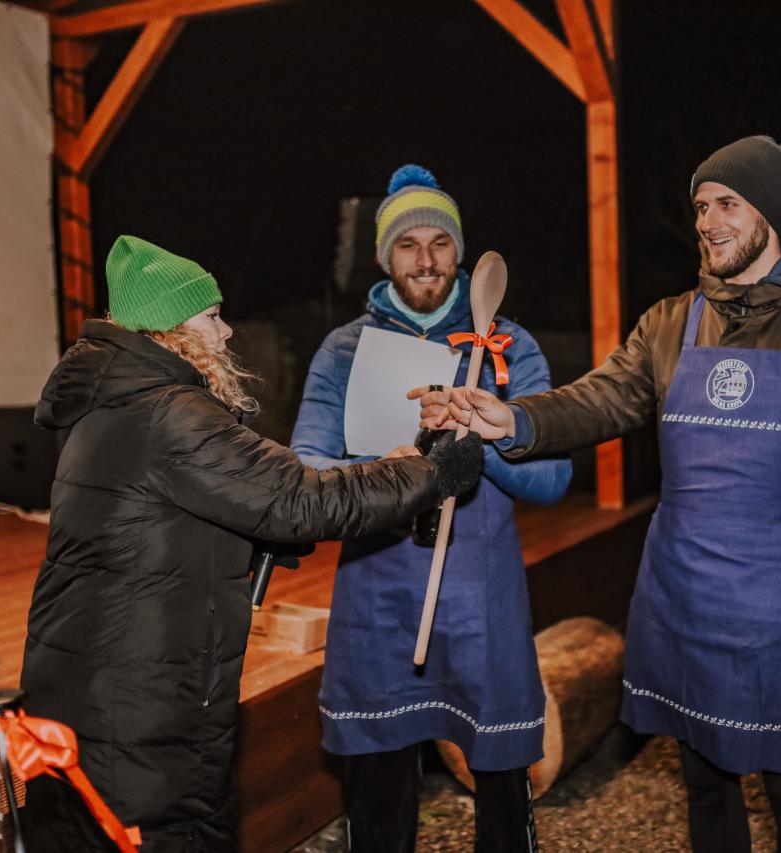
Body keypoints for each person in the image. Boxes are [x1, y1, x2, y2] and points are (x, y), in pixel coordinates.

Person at [420, 136, 781, 852]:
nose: (707, 221)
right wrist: (515, 420)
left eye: (727, 203)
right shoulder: (670, 322)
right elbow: (598, 400)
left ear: (771, 213)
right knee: (705, 785)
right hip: (687, 600)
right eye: (701, 207)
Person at [20, 235, 484, 851]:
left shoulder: (113, 400)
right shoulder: (169, 413)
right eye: (212, 317)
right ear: (170, 330)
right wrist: (430, 474)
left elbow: (179, 512)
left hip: (103, 678)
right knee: (165, 834)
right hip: (134, 699)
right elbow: (301, 500)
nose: (227, 331)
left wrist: (252, 537)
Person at [291, 164, 571, 852]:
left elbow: (553, 478)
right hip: (377, 589)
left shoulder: (506, 348)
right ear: (385, 256)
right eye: (408, 244)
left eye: (440, 243)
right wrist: (391, 470)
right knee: (378, 790)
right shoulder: (344, 349)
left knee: (501, 783)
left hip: (481, 591)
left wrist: (479, 433)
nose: (425, 259)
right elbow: (307, 469)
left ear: (460, 253)